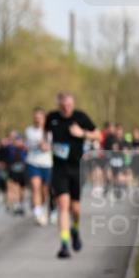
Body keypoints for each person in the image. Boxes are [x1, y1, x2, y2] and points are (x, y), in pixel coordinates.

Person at [45, 92, 97, 259]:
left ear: (73, 104)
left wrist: (82, 134)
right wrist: (45, 143)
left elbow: (98, 134)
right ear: (58, 105)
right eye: (63, 105)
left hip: (77, 168)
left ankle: (75, 229)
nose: (66, 108)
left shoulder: (80, 117)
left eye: (69, 105)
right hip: (59, 169)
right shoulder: (52, 117)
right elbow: (45, 134)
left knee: (75, 209)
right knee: (62, 205)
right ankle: (64, 244)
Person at [24, 107, 53, 225]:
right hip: (33, 162)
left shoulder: (50, 131)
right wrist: (38, 145)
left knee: (44, 191)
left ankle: (42, 206)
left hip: (47, 163)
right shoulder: (29, 131)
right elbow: (27, 145)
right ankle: (37, 213)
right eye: (36, 117)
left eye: (40, 117)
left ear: (44, 118)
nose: (38, 120)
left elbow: (55, 145)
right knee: (36, 187)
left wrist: (48, 147)